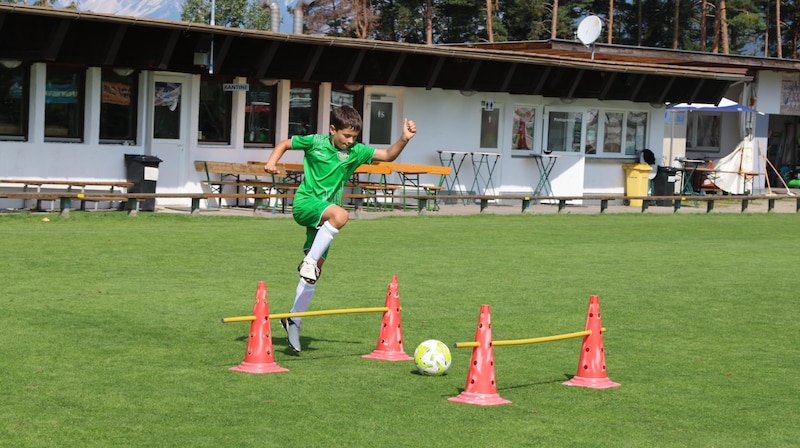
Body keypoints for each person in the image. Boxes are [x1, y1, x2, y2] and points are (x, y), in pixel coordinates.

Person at [264, 105, 417, 352]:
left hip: (326, 220)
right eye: (346, 135)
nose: (350, 141)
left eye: (354, 137)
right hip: (306, 205)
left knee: (313, 273)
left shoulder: (356, 151)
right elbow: (284, 143)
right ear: (333, 129)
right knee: (341, 214)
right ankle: (309, 262)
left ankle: (293, 320)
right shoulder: (315, 142)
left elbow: (388, 155)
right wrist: (271, 162)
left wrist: (404, 139)